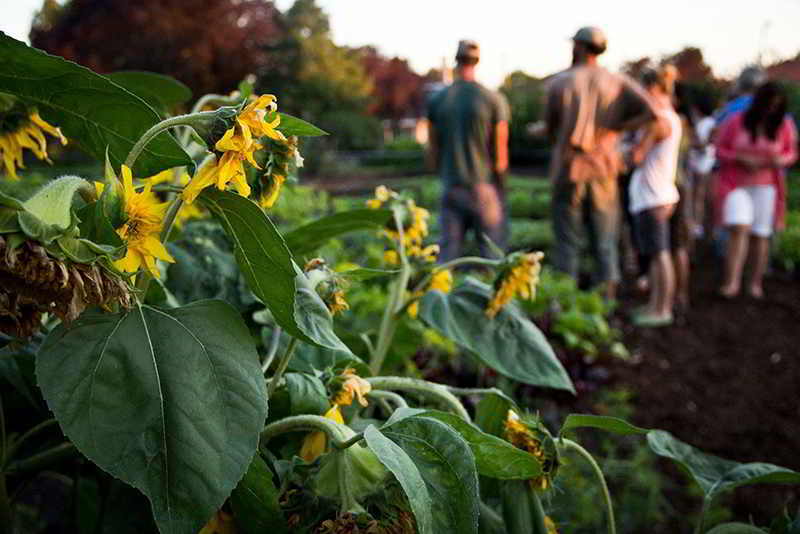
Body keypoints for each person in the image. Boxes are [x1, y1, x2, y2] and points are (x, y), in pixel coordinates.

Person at [544, 26, 657, 299]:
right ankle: (605, 301)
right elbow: (653, 113)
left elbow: (551, 129)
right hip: (604, 166)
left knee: (567, 240)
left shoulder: (561, 82)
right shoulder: (617, 82)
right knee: (605, 238)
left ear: (581, 47)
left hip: (569, 167)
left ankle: (564, 300)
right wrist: (617, 129)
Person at [426, 39, 510, 261]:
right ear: (478, 61)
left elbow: (433, 149)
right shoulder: (493, 99)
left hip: (451, 186)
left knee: (447, 259)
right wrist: (501, 184)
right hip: (484, 187)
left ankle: (443, 295)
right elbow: (500, 153)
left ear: (456, 60)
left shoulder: (438, 99)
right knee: (492, 256)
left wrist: (442, 173)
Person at [715, 81, 798, 299]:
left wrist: (780, 160)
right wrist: (739, 158)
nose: (771, 109)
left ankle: (754, 282)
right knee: (739, 228)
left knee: (760, 234)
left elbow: (791, 153)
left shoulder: (783, 125)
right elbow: (720, 149)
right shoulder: (737, 121)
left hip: (766, 186)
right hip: (735, 183)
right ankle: (731, 281)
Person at [628, 65, 683, 326]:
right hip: (660, 193)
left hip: (653, 196)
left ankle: (662, 310)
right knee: (656, 254)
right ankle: (655, 305)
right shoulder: (670, 116)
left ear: (650, 88)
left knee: (660, 255)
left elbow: (638, 157)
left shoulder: (658, 120)